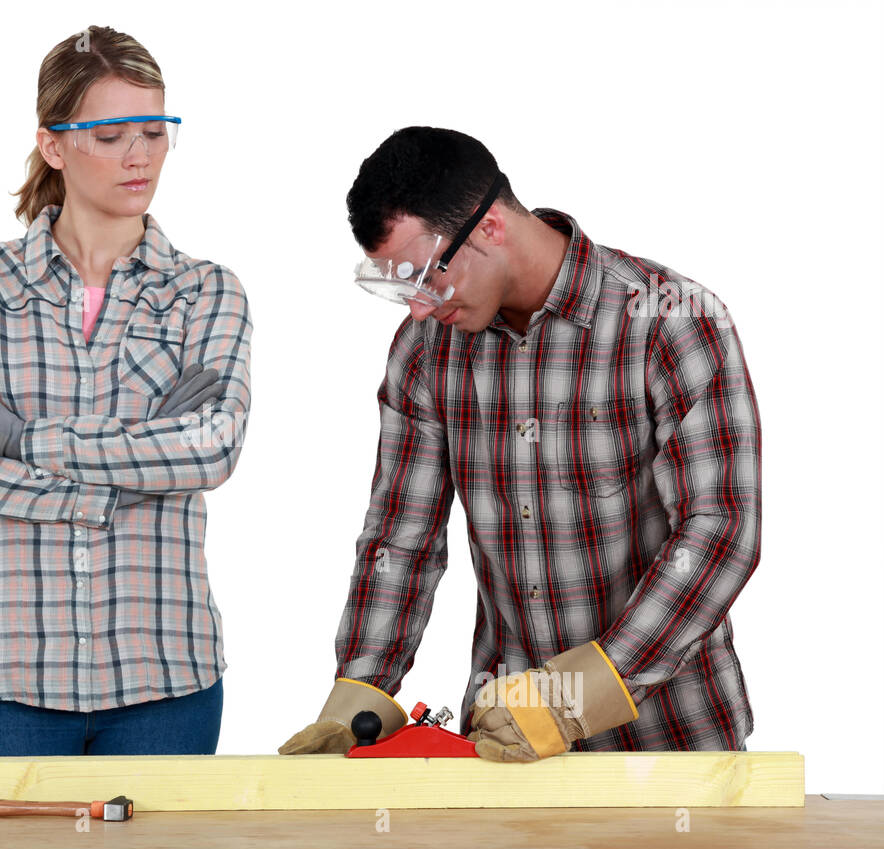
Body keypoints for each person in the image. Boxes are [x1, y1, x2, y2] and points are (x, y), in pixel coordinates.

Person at [280, 127, 760, 761]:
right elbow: (403, 537)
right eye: (400, 288)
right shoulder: (424, 352)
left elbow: (721, 530)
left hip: (673, 742)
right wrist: (359, 698)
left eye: (425, 276)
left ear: (491, 228)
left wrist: (567, 701)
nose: (419, 308)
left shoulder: (671, 319)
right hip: (506, 746)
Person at [0, 25, 251, 757]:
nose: (140, 155)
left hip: (166, 678)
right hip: (9, 681)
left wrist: (20, 437)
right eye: (112, 133)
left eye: (155, 132)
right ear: (54, 145)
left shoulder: (206, 291)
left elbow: (211, 449)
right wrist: (123, 479)